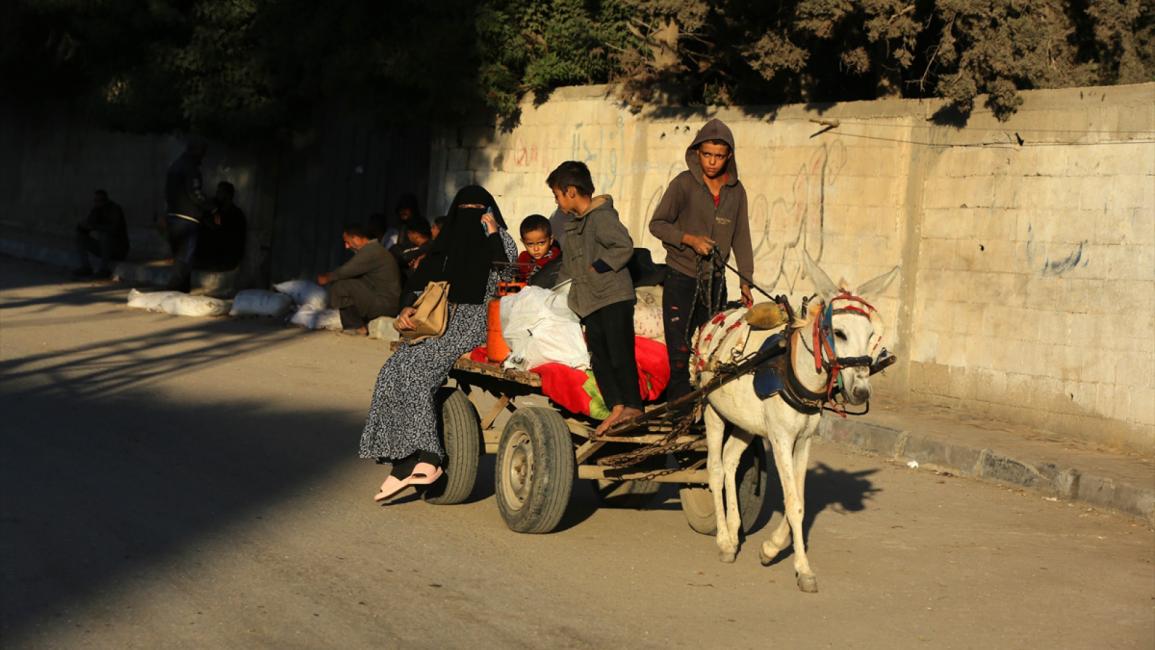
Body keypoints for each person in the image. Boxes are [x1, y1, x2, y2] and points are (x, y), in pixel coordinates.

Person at [359, 185, 517, 501]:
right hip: (440, 318)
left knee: (420, 371)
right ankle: (401, 463)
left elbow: (508, 274)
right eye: (466, 208)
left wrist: (493, 235)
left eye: (479, 208)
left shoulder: (501, 242)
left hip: (477, 321)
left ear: (489, 213)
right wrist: (407, 307)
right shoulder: (447, 245)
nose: (472, 214)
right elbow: (421, 282)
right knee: (392, 371)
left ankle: (430, 458)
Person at [648, 118, 755, 403]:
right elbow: (657, 224)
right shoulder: (683, 184)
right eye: (707, 154)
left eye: (719, 156)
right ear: (697, 152)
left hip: (716, 281)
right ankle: (678, 414)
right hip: (681, 276)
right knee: (680, 352)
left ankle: (708, 411)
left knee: (712, 352)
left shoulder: (737, 191)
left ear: (728, 156)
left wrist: (746, 282)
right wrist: (689, 239)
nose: (712, 162)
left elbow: (742, 237)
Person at [549, 161, 641, 435]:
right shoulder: (573, 225)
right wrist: (554, 291)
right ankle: (616, 407)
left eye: (557, 195)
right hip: (590, 301)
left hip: (612, 296)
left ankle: (633, 406)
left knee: (619, 353)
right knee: (599, 357)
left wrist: (598, 267)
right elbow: (569, 265)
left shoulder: (601, 217)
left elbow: (623, 245)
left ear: (572, 191)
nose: (557, 201)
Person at [318, 225, 402, 335]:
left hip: (384, 304)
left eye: (347, 242)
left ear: (356, 239)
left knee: (340, 286)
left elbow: (346, 271)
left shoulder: (371, 251)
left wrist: (327, 278)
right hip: (384, 301)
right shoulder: (374, 249)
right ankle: (358, 323)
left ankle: (356, 326)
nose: (347, 246)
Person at [164, 139, 212, 292]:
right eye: (202, 152)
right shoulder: (190, 168)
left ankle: (182, 289)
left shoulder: (175, 165)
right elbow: (195, 193)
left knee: (179, 255)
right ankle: (174, 288)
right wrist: (209, 207)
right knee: (185, 256)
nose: (203, 157)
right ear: (196, 150)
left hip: (173, 216)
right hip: (187, 217)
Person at [73, 189, 129, 279]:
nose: (98, 203)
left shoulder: (114, 209)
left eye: (100, 200)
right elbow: (87, 226)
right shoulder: (96, 210)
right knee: (80, 237)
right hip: (104, 249)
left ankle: (104, 270)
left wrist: (96, 226)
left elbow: (113, 228)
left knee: (104, 235)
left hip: (118, 250)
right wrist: (83, 226)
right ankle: (86, 267)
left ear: (106, 200)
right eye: (96, 200)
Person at [193, 181, 247, 270]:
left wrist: (213, 227)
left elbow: (227, 237)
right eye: (217, 192)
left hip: (226, 257)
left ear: (228, 195)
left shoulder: (236, 215)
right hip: (215, 254)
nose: (217, 194)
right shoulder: (218, 210)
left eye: (220, 192)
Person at [516, 214, 563, 288]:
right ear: (523, 242)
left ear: (550, 240)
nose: (536, 249)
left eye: (541, 243)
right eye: (530, 244)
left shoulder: (555, 258)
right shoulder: (523, 258)